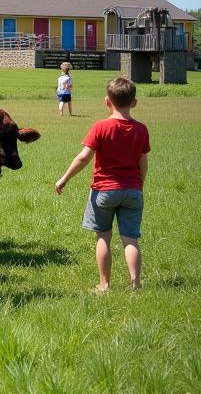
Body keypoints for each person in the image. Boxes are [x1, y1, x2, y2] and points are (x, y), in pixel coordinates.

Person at [54, 77, 150, 292]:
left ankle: (104, 284)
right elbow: (143, 163)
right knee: (130, 239)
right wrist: (138, 184)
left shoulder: (100, 127)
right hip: (133, 190)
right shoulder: (141, 129)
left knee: (103, 237)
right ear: (134, 102)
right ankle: (135, 283)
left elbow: (83, 158)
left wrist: (64, 178)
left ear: (107, 101)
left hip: (104, 191)